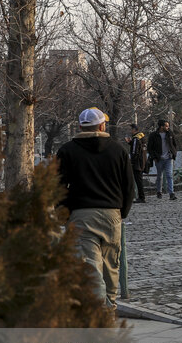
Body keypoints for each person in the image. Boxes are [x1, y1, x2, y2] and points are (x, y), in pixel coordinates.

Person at [56, 108, 134, 309]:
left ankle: (99, 313)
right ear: (102, 126)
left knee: (90, 267)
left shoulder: (67, 151)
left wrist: (63, 214)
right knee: (111, 267)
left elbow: (58, 187)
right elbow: (128, 186)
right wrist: (122, 212)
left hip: (81, 215)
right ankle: (110, 308)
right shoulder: (118, 150)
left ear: (81, 126)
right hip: (112, 215)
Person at [147, 119, 178, 200]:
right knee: (159, 176)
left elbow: (174, 144)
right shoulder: (153, 135)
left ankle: (171, 193)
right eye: (166, 126)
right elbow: (150, 148)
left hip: (169, 158)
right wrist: (154, 157)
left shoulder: (170, 133)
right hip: (159, 159)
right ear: (161, 127)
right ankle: (159, 191)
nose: (168, 127)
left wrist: (174, 153)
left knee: (169, 175)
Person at [126, 123, 147, 203]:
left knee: (138, 180)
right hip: (143, 161)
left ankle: (141, 197)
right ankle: (141, 196)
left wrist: (132, 161)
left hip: (137, 163)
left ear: (134, 129)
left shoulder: (136, 139)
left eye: (131, 129)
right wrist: (130, 143)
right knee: (139, 180)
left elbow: (135, 151)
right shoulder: (142, 137)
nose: (130, 131)